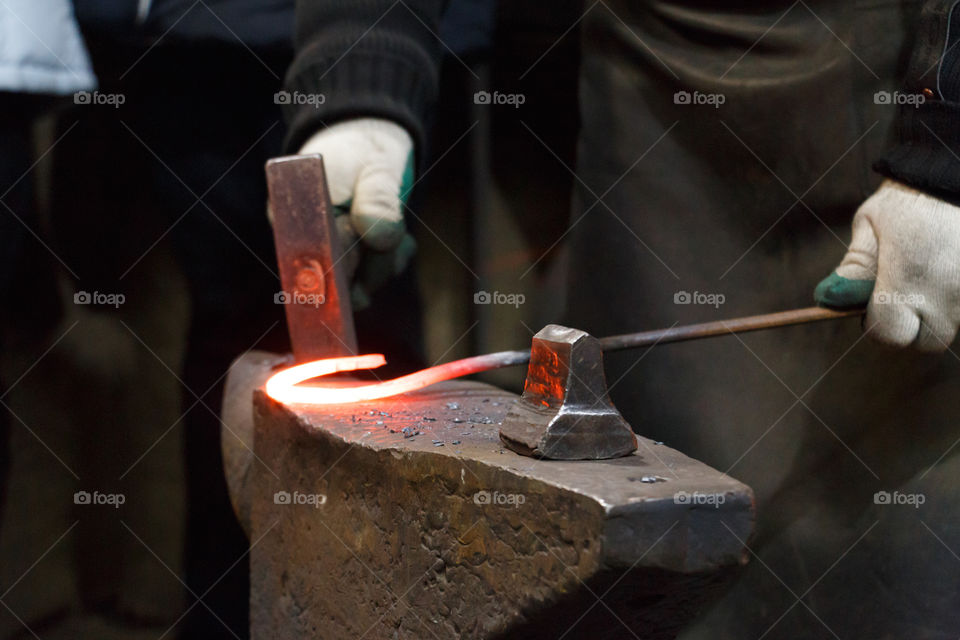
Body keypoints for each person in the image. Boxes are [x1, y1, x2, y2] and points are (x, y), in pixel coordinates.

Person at [283, 1, 960, 637]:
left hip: (887, 108)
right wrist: (359, 78)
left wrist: (944, 150)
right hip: (650, 101)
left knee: (877, 572)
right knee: (645, 559)